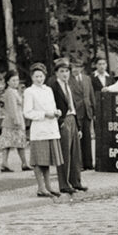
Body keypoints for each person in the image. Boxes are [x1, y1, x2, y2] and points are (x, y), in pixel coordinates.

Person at [23, 62, 62, 198]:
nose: (39, 79)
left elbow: (52, 106)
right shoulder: (29, 91)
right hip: (39, 130)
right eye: (36, 77)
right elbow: (27, 112)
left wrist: (56, 112)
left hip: (51, 128)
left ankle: (48, 186)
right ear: (32, 78)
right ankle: (40, 187)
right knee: (39, 160)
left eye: (41, 76)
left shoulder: (48, 90)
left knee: (47, 160)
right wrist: (44, 114)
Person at [48, 58, 85, 193]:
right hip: (63, 120)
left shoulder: (69, 86)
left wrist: (79, 126)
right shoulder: (54, 87)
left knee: (75, 153)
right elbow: (51, 105)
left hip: (72, 119)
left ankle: (76, 181)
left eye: (67, 71)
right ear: (57, 73)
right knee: (64, 154)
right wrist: (60, 122)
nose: (65, 74)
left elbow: (74, 106)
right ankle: (64, 184)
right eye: (62, 71)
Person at [0, 71, 29, 172]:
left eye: (17, 80)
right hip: (14, 121)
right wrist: (16, 120)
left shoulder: (13, 91)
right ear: (8, 82)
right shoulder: (10, 92)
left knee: (13, 143)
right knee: (15, 143)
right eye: (13, 80)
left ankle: (8, 163)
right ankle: (21, 163)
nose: (16, 82)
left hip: (13, 120)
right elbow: (12, 107)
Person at [69, 60, 96, 171]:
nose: (75, 69)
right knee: (77, 139)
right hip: (76, 110)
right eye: (73, 67)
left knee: (88, 139)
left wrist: (94, 110)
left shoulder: (87, 78)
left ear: (82, 68)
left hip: (87, 110)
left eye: (77, 67)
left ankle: (88, 163)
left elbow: (91, 94)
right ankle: (78, 164)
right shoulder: (68, 80)